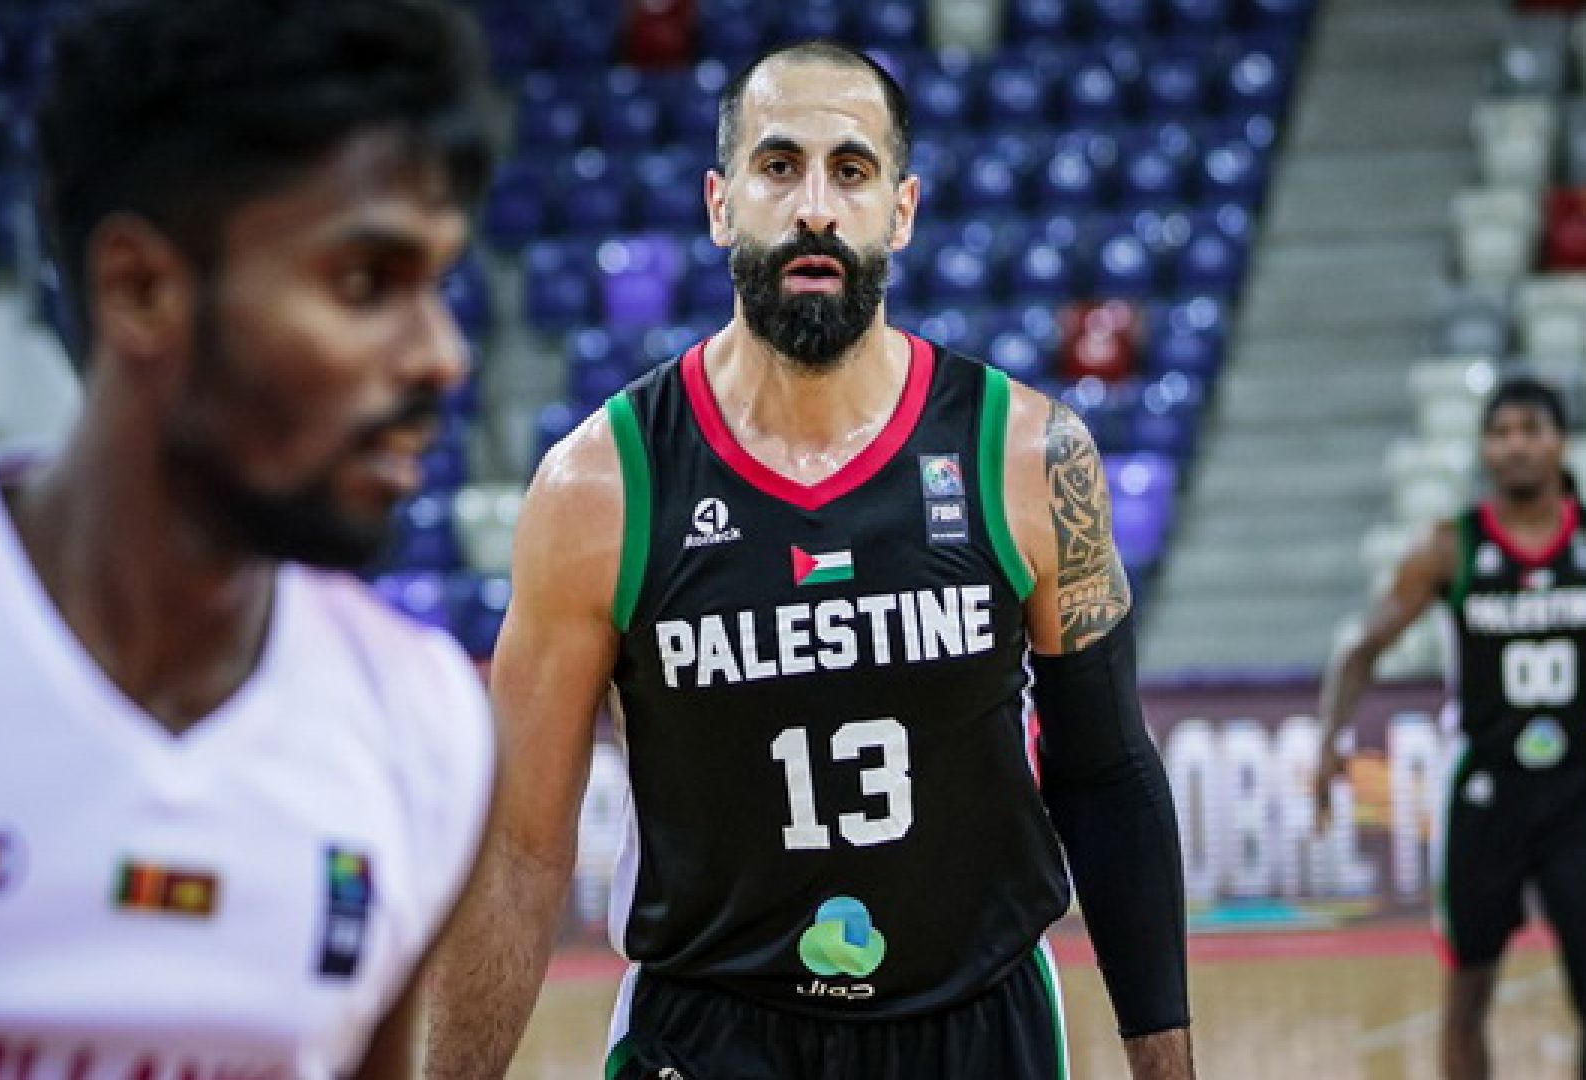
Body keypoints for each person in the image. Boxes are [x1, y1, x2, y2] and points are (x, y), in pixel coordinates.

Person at [429, 39, 1193, 1080]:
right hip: (710, 1032)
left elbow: (1105, 778)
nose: (816, 208)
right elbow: (520, 850)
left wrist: (1166, 1065)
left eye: (853, 170)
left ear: (902, 211)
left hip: (978, 1025)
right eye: (779, 166)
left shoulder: (1027, 454)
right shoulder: (599, 487)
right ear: (720, 203)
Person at [0, 2, 496, 1076]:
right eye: (363, 283)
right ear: (140, 288)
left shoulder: (422, 726)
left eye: (437, 284)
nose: (441, 355)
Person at [1312, 376, 1586, 1080]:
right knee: (1468, 994)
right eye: (1500, 433)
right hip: (1487, 799)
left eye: (1531, 430)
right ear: (1484, 449)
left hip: (1580, 799)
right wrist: (1329, 745)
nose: (1515, 445)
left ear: (1560, 443)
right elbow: (1361, 650)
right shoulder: (1450, 547)